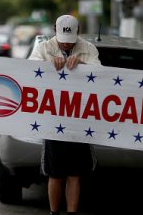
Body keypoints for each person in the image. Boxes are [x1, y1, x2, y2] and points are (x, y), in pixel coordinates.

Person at [29, 15, 101, 215]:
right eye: (62, 41)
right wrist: (50, 63)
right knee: (55, 173)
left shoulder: (88, 49)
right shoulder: (43, 48)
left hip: (80, 120)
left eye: (70, 42)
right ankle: (54, 212)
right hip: (54, 120)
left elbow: (101, 74)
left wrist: (83, 66)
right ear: (54, 30)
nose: (66, 45)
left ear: (78, 32)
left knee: (75, 174)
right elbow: (28, 71)